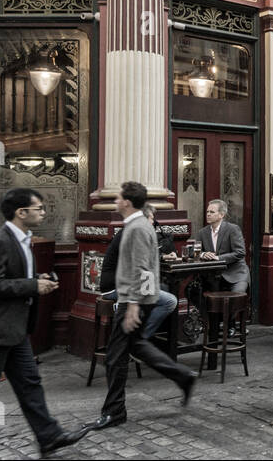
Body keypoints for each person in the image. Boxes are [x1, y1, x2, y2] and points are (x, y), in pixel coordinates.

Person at [0, 188, 87, 459]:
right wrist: (32, 285)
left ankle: (49, 437)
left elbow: (12, 277)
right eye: (39, 208)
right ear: (21, 212)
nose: (43, 212)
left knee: (30, 383)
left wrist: (38, 277)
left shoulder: (23, 240)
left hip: (14, 330)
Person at [90, 182, 197, 431]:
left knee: (116, 356)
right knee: (138, 345)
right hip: (139, 297)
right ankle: (183, 377)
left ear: (127, 202)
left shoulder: (137, 228)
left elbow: (141, 268)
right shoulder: (138, 225)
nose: (115, 201)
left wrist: (133, 306)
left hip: (134, 299)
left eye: (117, 197)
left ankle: (114, 411)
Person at [100, 206, 177, 343]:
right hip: (115, 288)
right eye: (152, 219)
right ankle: (137, 341)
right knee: (170, 301)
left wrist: (162, 257)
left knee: (163, 288)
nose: (153, 223)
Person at [196, 199, 249, 294]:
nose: (208, 214)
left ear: (222, 215)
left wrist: (218, 258)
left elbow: (240, 252)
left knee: (236, 296)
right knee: (193, 291)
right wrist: (203, 254)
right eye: (207, 212)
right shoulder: (202, 232)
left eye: (212, 212)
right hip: (212, 277)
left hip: (235, 275)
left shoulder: (233, 229)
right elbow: (196, 251)